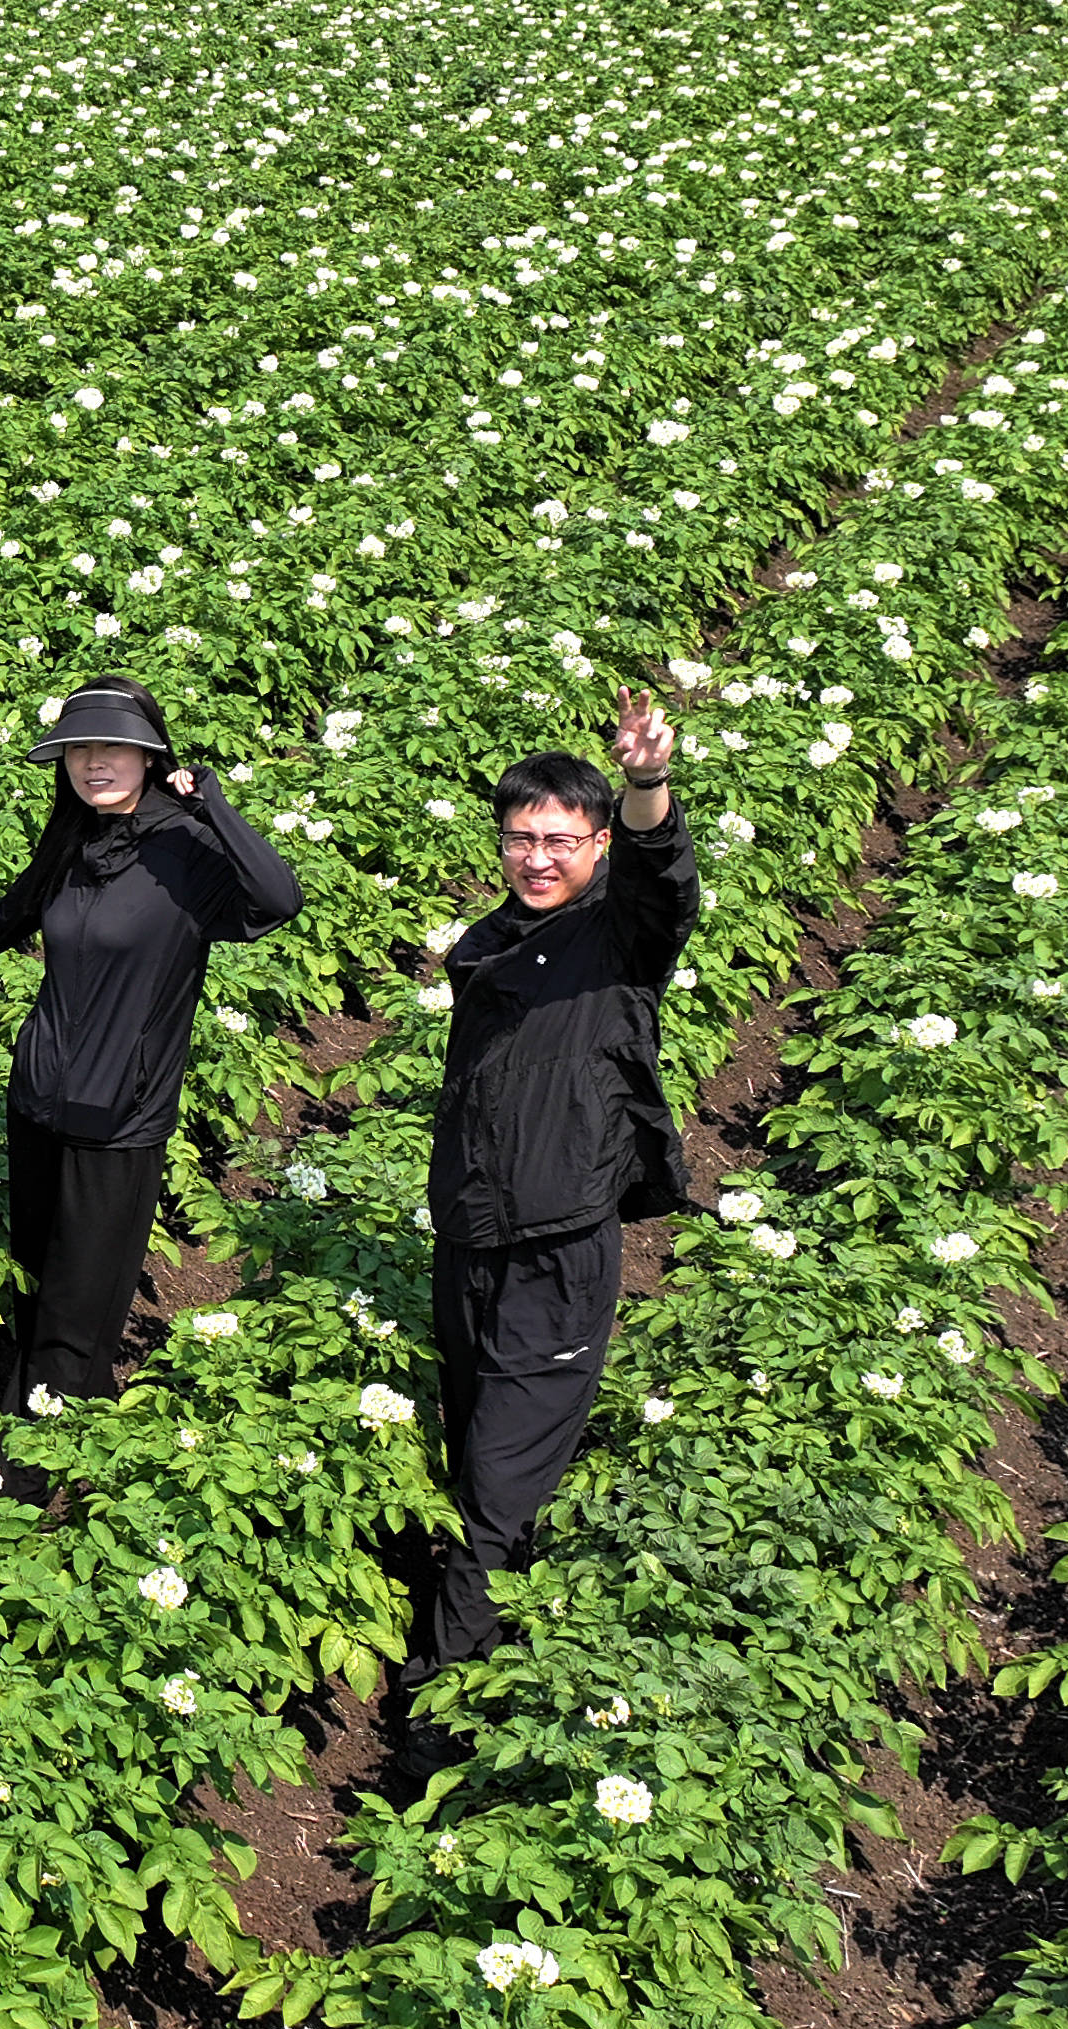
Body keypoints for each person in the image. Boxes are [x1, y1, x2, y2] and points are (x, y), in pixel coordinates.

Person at [384, 692, 695, 1794]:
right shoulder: (497, 933)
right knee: (475, 1448)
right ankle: (481, 1653)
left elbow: (665, 883)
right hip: (470, 1236)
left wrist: (649, 782)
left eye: (560, 838)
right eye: (520, 836)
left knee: (495, 1494)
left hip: (557, 1250)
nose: (536, 855)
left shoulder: (619, 923)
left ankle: (438, 1724)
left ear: (598, 842)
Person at [0, 676, 302, 1409]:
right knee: (38, 1272)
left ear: (149, 754)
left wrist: (212, 804)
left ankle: (36, 1463)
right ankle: (36, 1402)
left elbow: (278, 898)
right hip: (38, 1094)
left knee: (85, 1291)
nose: (93, 763)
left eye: (113, 748)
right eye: (78, 749)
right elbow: (12, 913)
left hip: (120, 1111)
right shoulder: (74, 837)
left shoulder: (188, 849)